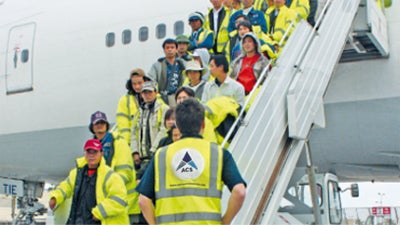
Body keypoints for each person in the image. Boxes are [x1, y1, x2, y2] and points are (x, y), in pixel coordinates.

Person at [137, 98, 246, 225]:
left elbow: (143, 200)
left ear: (177, 124)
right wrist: (225, 222)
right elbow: (239, 191)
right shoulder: (219, 153)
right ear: (203, 124)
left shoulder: (161, 154)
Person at [49, 139, 129, 224]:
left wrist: (99, 212)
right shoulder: (77, 173)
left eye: (95, 152)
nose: (91, 155)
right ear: (85, 154)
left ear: (101, 154)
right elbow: (66, 186)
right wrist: (55, 197)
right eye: (88, 152)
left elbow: (120, 199)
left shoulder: (110, 176)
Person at [89, 111, 142, 224]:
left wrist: (104, 186)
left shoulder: (119, 143)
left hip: (125, 206)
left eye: (102, 123)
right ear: (92, 128)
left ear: (107, 126)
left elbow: (125, 174)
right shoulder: (93, 149)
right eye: (97, 123)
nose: (100, 126)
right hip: (108, 207)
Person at [131, 81, 170, 180]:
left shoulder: (164, 109)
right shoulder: (139, 113)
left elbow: (164, 131)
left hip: (158, 156)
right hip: (143, 159)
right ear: (141, 95)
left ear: (156, 93)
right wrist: (135, 152)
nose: (147, 95)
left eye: (150, 92)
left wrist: (154, 150)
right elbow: (133, 133)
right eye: (145, 93)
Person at [116, 68, 150, 145]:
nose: (137, 86)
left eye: (140, 83)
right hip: (133, 141)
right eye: (134, 84)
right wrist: (127, 143)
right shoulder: (124, 100)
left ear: (145, 81)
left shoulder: (155, 96)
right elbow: (123, 125)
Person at [147, 38, 185, 106]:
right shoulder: (157, 65)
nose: (170, 50)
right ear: (164, 50)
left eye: (172, 47)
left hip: (179, 97)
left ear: (176, 49)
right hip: (162, 98)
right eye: (167, 48)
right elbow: (151, 80)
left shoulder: (182, 64)